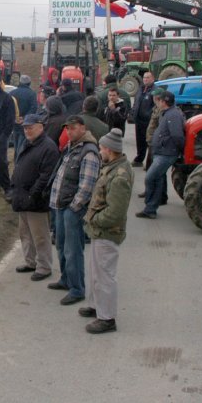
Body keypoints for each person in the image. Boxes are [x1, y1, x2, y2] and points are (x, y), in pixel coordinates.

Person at [80, 128, 134, 334]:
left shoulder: (119, 175)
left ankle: (107, 318)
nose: (99, 150)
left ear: (110, 150)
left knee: (105, 275)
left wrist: (95, 219)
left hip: (107, 231)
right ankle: (96, 306)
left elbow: (115, 212)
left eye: (101, 147)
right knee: (96, 272)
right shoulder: (112, 166)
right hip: (100, 231)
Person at [48, 115, 101, 305]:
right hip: (60, 206)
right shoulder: (71, 147)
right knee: (61, 245)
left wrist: (74, 207)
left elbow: (87, 186)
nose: (69, 132)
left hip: (72, 209)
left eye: (73, 128)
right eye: (67, 129)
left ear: (83, 128)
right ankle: (65, 279)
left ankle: (77, 288)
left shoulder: (89, 152)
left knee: (73, 249)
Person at [10, 113, 60, 281]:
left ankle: (44, 266)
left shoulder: (48, 147)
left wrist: (33, 194)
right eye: (25, 128)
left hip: (35, 200)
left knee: (40, 235)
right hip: (22, 197)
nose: (27, 130)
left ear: (41, 126)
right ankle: (30, 262)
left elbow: (46, 176)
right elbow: (19, 166)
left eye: (30, 127)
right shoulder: (29, 143)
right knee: (25, 233)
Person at [137, 91, 185, 219]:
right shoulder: (167, 113)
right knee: (157, 178)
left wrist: (178, 150)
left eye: (159, 100)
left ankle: (150, 207)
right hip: (161, 151)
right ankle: (151, 208)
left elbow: (177, 136)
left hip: (166, 153)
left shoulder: (173, 115)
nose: (157, 102)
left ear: (163, 102)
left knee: (150, 177)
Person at [130, 71, 156, 167]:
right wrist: (132, 113)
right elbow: (136, 103)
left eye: (148, 77)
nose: (145, 79)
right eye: (144, 77)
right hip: (139, 120)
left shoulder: (155, 90)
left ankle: (150, 163)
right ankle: (139, 159)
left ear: (153, 79)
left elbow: (156, 106)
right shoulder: (140, 89)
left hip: (149, 122)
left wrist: (150, 116)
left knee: (149, 142)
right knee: (140, 141)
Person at [11, 74, 37, 156]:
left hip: (14, 123)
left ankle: (16, 161)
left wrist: (14, 118)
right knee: (22, 145)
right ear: (29, 83)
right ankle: (19, 161)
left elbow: (8, 107)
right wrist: (25, 118)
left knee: (16, 144)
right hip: (25, 124)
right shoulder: (32, 94)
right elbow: (34, 108)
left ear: (20, 82)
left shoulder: (12, 93)